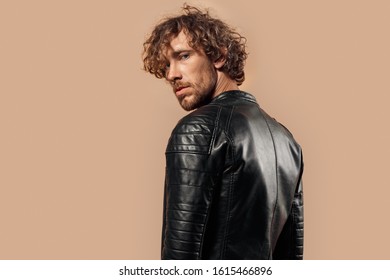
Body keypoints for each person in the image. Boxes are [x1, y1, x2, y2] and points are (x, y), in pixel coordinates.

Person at [142, 5, 304, 260]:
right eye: (166, 65)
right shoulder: (287, 141)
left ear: (218, 56)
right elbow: (291, 259)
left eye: (183, 56)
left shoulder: (197, 129)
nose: (172, 74)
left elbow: (179, 261)